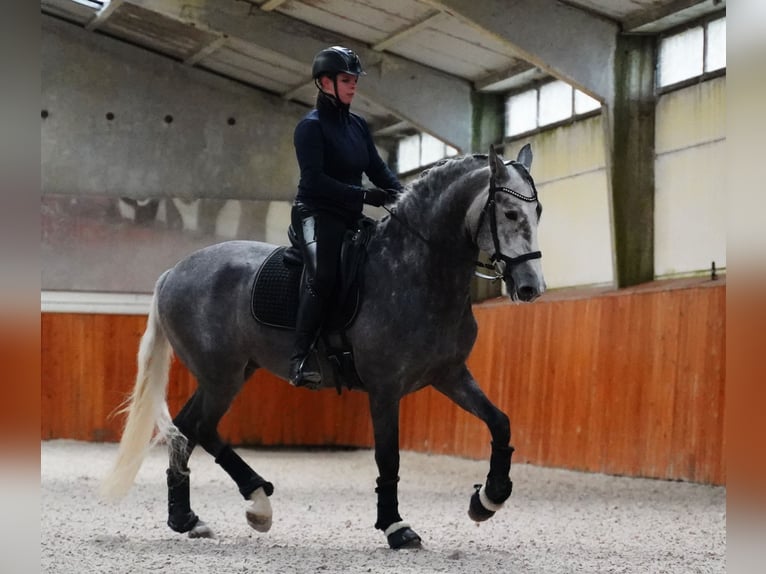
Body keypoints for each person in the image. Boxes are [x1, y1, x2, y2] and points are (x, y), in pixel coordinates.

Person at [288, 45, 403, 388]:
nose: (353, 86)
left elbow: (378, 169)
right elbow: (314, 180)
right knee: (323, 277)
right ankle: (300, 356)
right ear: (325, 82)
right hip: (315, 213)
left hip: (350, 216)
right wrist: (363, 195)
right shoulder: (309, 128)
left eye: (354, 80)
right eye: (346, 80)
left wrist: (407, 197)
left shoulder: (358, 126)